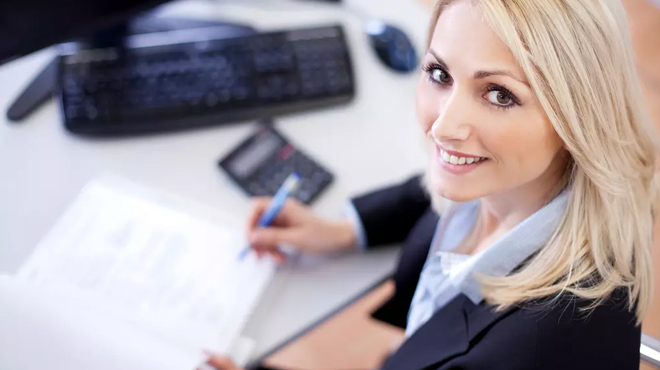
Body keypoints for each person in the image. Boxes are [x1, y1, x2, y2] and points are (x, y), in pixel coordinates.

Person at [205, 0, 659, 369]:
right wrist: (346, 230)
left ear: (576, 118)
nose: (443, 126)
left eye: (499, 94)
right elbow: (425, 188)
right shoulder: (511, 176)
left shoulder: (530, 351)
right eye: (440, 74)